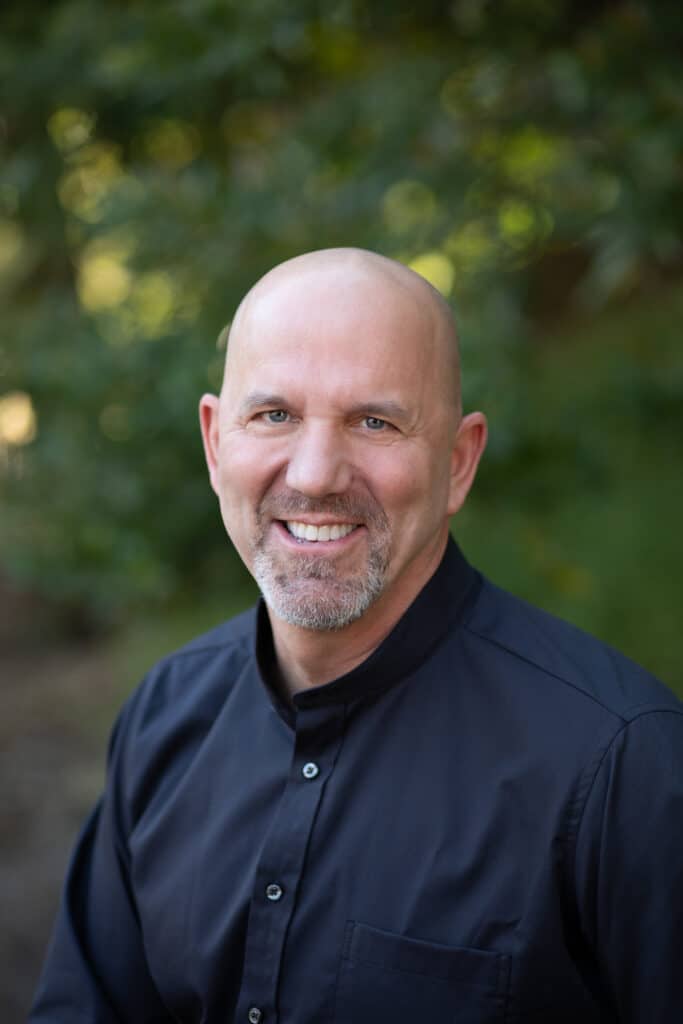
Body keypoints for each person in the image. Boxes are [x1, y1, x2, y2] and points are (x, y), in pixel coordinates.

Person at [31, 248, 683, 1023]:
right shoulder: (165, 714)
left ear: (458, 462)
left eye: (374, 422)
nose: (314, 474)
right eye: (274, 416)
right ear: (214, 443)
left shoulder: (623, 765)